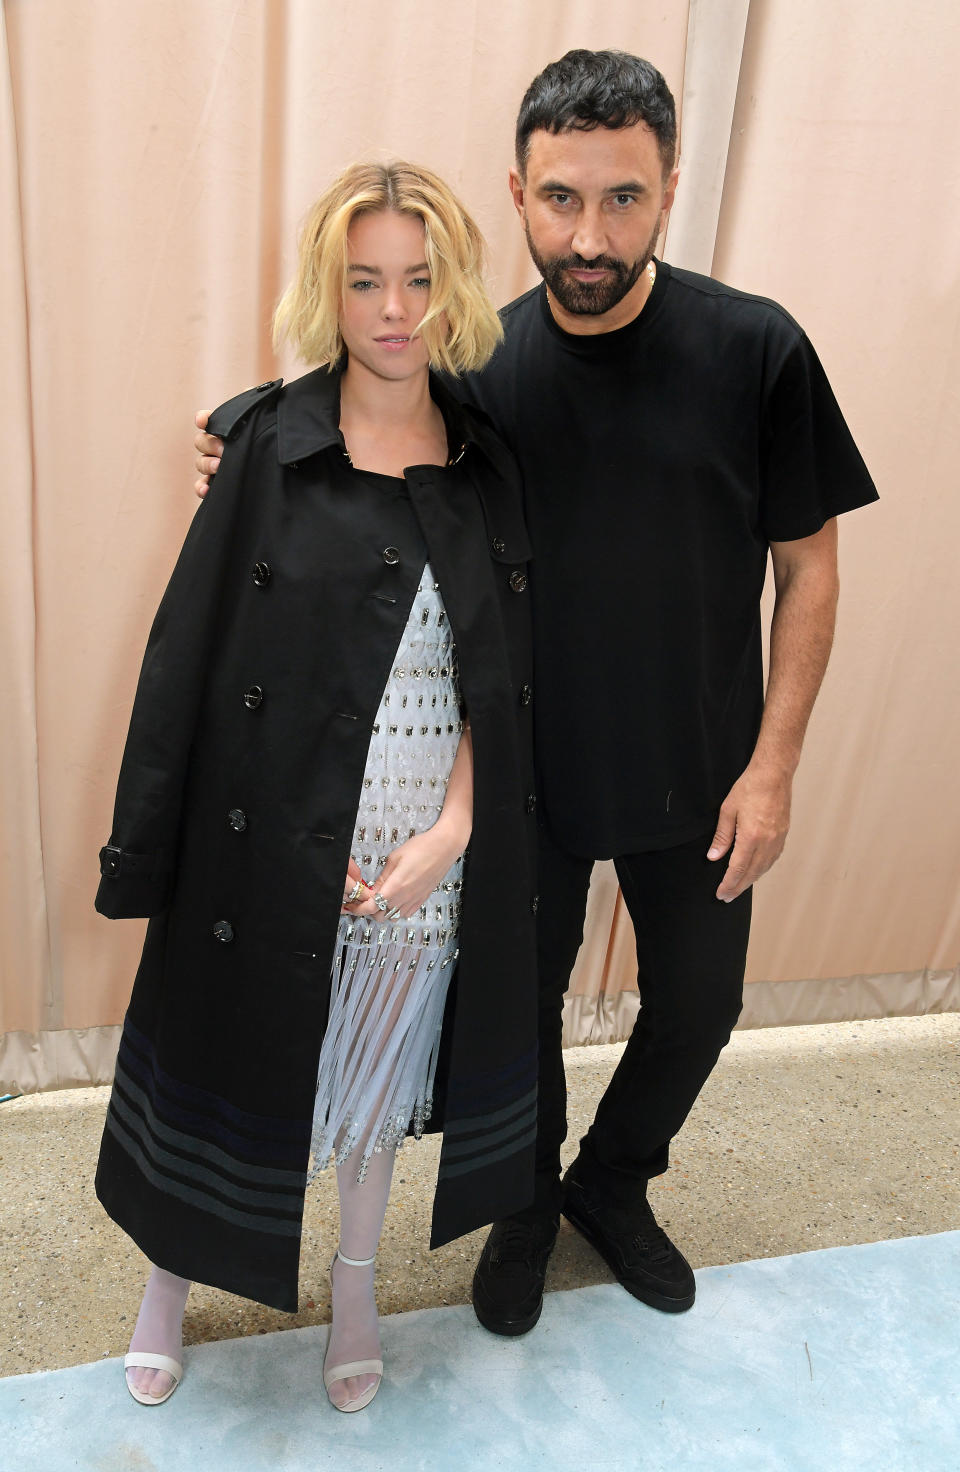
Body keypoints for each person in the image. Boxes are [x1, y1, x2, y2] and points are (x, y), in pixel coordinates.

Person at [194, 51, 879, 1339]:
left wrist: (775, 763)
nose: (589, 235)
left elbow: (812, 567)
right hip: (531, 769)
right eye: (562, 199)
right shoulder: (483, 370)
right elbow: (357, 417)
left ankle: (611, 1184)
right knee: (523, 1008)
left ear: (670, 187)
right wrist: (242, 441)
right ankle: (522, 1205)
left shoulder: (758, 349)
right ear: (518, 191)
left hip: (704, 758)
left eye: (623, 199)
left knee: (701, 1003)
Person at [95, 160, 539, 1413]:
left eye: (416, 278)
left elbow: (499, 675)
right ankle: (170, 1279)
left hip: (417, 835)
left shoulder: (488, 458)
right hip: (272, 823)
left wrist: (455, 824)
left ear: (450, 287)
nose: (393, 309)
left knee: (372, 1083)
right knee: (229, 1048)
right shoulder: (266, 441)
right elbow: (195, 652)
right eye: (364, 282)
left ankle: (354, 1283)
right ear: (327, 291)